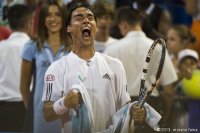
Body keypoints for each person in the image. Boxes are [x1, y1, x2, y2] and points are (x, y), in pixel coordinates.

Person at [42, 2, 162, 133]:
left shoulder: (115, 65)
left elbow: (125, 110)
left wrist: (134, 113)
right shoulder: (56, 68)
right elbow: (47, 114)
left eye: (90, 17)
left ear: (96, 27)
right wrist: (64, 102)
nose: (86, 20)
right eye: (79, 18)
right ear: (69, 28)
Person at [104, 6, 178, 132]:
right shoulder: (158, 47)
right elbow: (169, 91)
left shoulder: (111, 49)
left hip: (121, 109)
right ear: (140, 23)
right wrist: (164, 117)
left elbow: (105, 89)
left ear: (123, 25)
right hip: (151, 108)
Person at [20, 1, 70, 133]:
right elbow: (24, 86)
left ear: (63, 18)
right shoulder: (32, 46)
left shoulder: (73, 47)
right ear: (42, 19)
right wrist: (33, 109)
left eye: (57, 15)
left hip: (67, 113)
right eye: (48, 15)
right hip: (40, 114)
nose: (53, 19)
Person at [0, 4, 33, 132]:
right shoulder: (34, 49)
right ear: (29, 23)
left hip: (2, 109)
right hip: (24, 108)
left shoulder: (1, 47)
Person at [177, 49, 200, 132]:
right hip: (178, 121)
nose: (188, 67)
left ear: (197, 65)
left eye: (192, 63)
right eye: (185, 63)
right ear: (179, 66)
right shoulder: (175, 81)